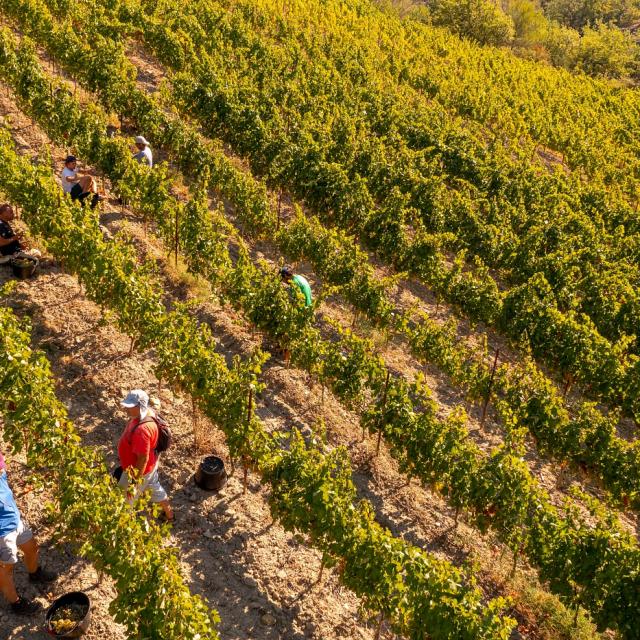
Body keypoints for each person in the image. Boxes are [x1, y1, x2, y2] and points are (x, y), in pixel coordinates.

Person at [0, 452, 57, 615]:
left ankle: (34, 574)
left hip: (13, 516)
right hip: (2, 531)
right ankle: (16, 603)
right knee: (6, 568)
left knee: (32, 547)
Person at [117, 390, 173, 522]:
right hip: (151, 466)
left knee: (124, 502)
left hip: (137, 472)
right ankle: (169, 515)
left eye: (130, 407)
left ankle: (123, 525)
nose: (126, 409)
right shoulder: (149, 413)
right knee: (154, 487)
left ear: (140, 407)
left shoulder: (142, 431)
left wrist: (133, 483)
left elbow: (142, 459)